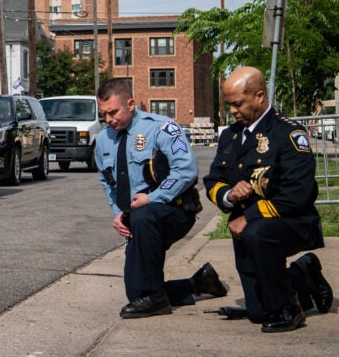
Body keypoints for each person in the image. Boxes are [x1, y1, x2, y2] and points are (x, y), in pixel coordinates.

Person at [204, 66, 334, 333]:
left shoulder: (288, 134)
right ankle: (303, 273)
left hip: (291, 221)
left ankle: (289, 308)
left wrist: (248, 216)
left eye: (238, 104)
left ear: (260, 96)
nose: (233, 111)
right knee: (257, 312)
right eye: (229, 105)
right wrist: (229, 194)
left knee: (257, 233)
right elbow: (212, 180)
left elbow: (297, 193)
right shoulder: (230, 136)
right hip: (247, 229)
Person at [95, 78, 227, 319]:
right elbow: (107, 181)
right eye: (103, 114)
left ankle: (156, 299)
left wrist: (153, 197)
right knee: (135, 293)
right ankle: (199, 283)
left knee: (145, 215)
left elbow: (185, 170)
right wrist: (117, 213)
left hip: (173, 212)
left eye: (113, 112)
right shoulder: (104, 139)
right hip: (138, 221)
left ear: (131, 104)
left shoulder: (162, 127)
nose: (109, 119)